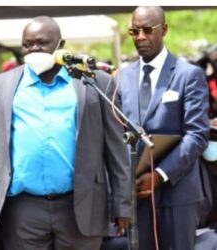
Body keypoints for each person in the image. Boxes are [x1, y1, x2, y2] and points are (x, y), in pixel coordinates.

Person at [0, 16, 131, 250]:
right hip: (23, 208)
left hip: (80, 204)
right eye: (27, 44)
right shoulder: (0, 85)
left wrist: (123, 204)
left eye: (41, 42)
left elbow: (116, 148)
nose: (34, 49)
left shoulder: (93, 83)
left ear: (60, 44)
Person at [118, 6, 209, 250]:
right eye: (134, 31)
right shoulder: (122, 77)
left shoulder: (188, 74)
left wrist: (160, 175)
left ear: (164, 29)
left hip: (178, 193)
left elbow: (197, 135)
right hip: (136, 195)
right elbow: (117, 133)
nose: (140, 37)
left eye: (147, 30)